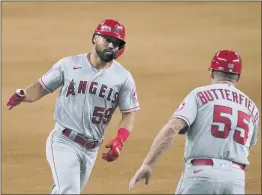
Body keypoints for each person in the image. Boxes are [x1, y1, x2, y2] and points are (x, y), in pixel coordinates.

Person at [7, 19, 140, 194]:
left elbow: (129, 113)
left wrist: (120, 140)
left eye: (116, 43)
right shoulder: (68, 65)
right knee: (69, 191)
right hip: (64, 141)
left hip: (92, 149)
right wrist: (24, 95)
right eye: (107, 39)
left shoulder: (123, 78)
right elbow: (41, 87)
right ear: (94, 38)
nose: (111, 45)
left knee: (62, 191)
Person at [129, 50, 259, 194]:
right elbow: (249, 143)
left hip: (201, 174)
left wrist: (148, 164)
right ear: (238, 77)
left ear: (212, 72)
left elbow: (172, 128)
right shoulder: (252, 107)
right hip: (236, 179)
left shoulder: (199, 94)